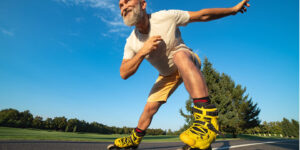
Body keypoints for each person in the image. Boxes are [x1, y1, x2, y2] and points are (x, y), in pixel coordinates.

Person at [113, 0, 250, 149]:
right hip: (166, 75)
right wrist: (142, 51)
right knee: (149, 108)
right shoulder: (131, 42)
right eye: (121, 5)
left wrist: (233, 9)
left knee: (179, 56)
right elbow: (124, 73)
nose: (124, 7)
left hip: (186, 58)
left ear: (143, 4)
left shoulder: (166, 16)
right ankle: (134, 140)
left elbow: (202, 15)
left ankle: (206, 121)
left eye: (127, 1)